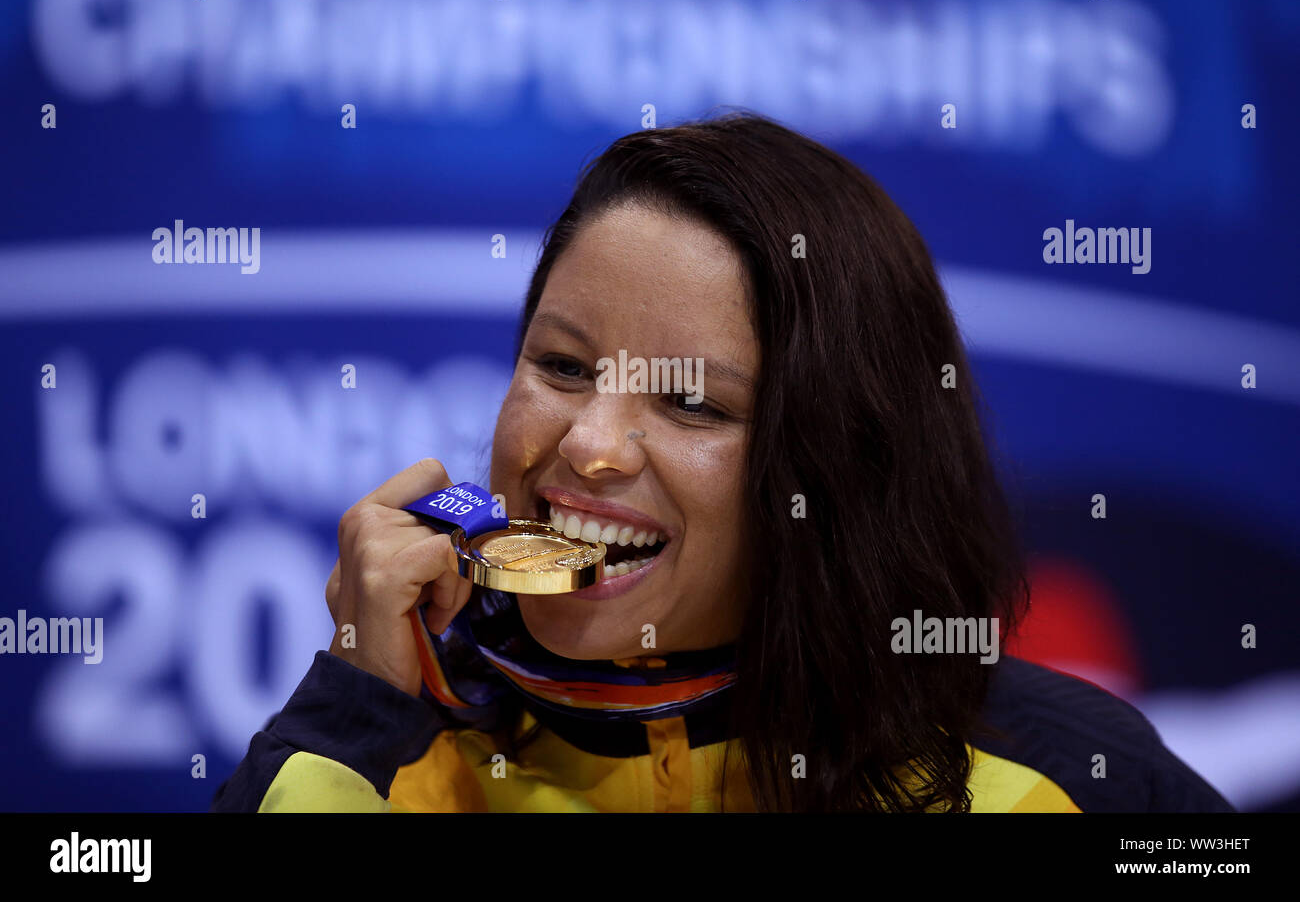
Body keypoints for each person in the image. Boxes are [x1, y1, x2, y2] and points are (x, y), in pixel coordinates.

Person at [211, 111, 1233, 812]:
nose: (590, 444)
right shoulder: (382, 757)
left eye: (692, 400)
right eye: (562, 365)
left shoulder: (1059, 778)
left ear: (835, 464)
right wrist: (352, 713)